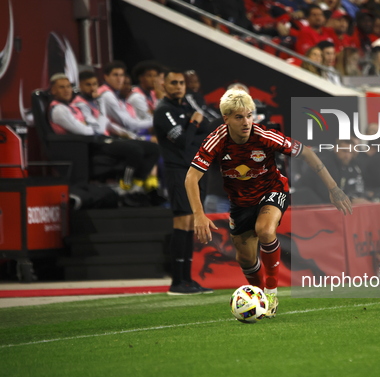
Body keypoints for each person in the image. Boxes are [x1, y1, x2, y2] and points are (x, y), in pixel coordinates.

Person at [185, 89, 352, 317]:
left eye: (249, 115)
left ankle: (272, 292)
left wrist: (334, 189)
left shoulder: (264, 135)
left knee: (264, 230)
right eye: (239, 117)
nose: (246, 122)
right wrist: (198, 214)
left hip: (272, 191)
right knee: (245, 259)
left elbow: (307, 154)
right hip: (240, 203)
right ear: (226, 119)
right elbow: (191, 177)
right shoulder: (217, 139)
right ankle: (260, 295)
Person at [153, 69, 212, 295]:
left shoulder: (187, 108)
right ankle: (177, 281)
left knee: (191, 225)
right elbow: (183, 142)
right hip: (178, 171)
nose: (178, 86)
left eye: (181, 83)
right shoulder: (163, 111)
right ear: (164, 86)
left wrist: (194, 128)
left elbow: (207, 133)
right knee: (182, 223)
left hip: (195, 171)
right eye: (173, 83)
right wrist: (195, 126)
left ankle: (188, 279)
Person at [51, 72, 160, 193]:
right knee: (135, 150)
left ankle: (138, 184)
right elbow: (90, 131)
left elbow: (100, 124)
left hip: (100, 139)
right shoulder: (60, 109)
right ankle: (126, 186)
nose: (67, 90)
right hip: (88, 145)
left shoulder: (71, 107)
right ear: (53, 91)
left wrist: (130, 135)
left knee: (153, 148)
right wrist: (100, 110)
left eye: (68, 86)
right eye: (62, 87)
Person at [98, 61, 153, 134]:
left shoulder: (115, 94)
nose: (119, 79)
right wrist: (156, 121)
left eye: (121, 75)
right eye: (115, 75)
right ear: (106, 77)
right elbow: (128, 124)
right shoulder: (107, 95)